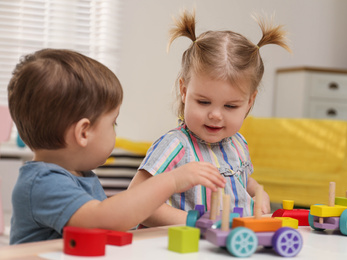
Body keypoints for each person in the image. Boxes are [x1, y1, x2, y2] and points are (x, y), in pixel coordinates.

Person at [7, 48, 226, 244]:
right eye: (113, 122)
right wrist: (171, 181)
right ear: (83, 132)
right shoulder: (43, 183)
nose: (115, 129)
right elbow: (105, 220)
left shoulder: (77, 174)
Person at [129, 10, 291, 227]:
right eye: (204, 102)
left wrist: (259, 192)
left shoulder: (238, 144)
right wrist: (193, 223)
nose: (215, 115)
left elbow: (241, 181)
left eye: (230, 106)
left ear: (249, 102)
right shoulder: (175, 146)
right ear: (185, 92)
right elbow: (135, 200)